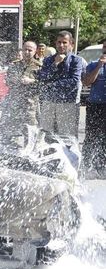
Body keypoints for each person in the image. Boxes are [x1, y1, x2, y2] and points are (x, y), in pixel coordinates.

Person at [37, 31, 84, 139]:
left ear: (71, 44)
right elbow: (43, 78)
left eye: (64, 42)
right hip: (49, 102)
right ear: (55, 43)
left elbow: (74, 81)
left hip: (67, 103)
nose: (61, 45)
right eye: (59, 42)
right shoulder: (49, 60)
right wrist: (55, 64)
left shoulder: (76, 60)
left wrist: (52, 84)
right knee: (47, 135)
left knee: (66, 137)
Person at [0, 41, 42, 148]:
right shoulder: (14, 65)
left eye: (30, 50)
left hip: (30, 105)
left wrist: (31, 81)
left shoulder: (39, 67)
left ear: (35, 51)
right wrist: (19, 81)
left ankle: (30, 152)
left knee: (30, 130)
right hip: (14, 103)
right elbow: (8, 81)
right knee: (9, 128)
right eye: (25, 50)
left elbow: (44, 85)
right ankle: (10, 150)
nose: (27, 52)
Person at [80, 39, 106, 178]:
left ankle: (101, 167)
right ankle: (85, 165)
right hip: (95, 105)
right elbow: (86, 82)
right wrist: (99, 66)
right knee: (91, 136)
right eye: (105, 47)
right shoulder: (93, 64)